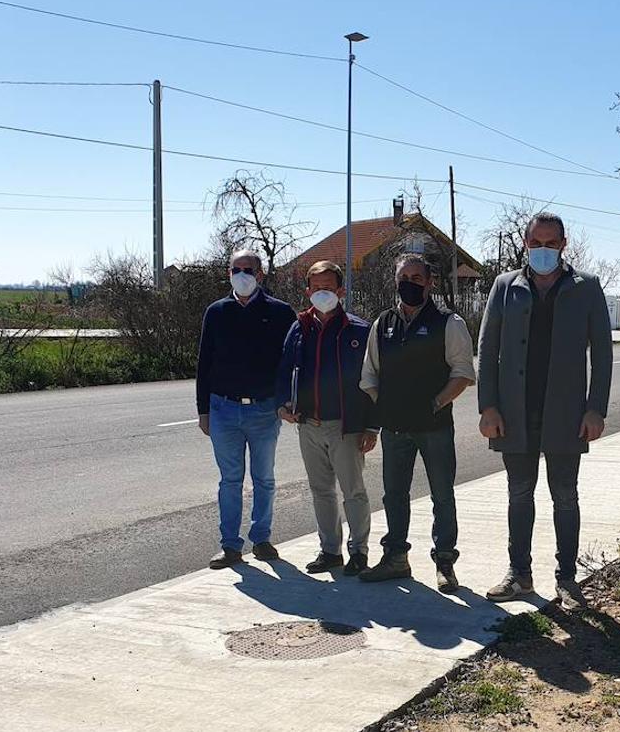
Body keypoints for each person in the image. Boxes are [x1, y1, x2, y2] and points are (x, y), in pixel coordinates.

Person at [477, 212, 613, 609]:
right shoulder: (505, 286)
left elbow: (602, 354)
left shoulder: (585, 287)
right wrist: (488, 406)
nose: (542, 251)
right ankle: (519, 573)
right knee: (519, 494)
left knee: (565, 496)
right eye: (535, 243)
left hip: (567, 414)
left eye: (550, 244)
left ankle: (567, 579)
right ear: (525, 243)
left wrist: (596, 409)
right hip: (514, 413)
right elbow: (487, 351)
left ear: (563, 245)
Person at [357, 254, 476, 592]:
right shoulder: (383, 323)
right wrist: (388, 406)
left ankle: (445, 563)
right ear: (395, 280)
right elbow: (369, 374)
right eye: (403, 276)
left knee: (442, 495)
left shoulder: (448, 323)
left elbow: (463, 373)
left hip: (435, 426)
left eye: (416, 277)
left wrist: (436, 403)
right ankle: (395, 558)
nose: (409, 282)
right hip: (395, 428)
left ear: (430, 283)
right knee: (394, 495)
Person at [275, 260, 378, 576]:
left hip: (346, 428)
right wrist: (283, 403)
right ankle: (330, 551)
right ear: (307, 291)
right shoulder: (299, 327)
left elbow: (374, 382)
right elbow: (284, 369)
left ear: (341, 290)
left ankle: (358, 551)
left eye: (329, 288)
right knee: (321, 492)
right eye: (316, 288)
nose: (322, 294)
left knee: (354, 492)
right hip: (309, 425)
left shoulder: (359, 330)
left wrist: (371, 426)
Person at [196, 250, 297, 570]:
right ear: (228, 273)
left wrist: (287, 401)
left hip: (265, 411)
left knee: (264, 478)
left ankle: (262, 539)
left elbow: (291, 363)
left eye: (248, 270)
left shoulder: (281, 313)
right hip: (223, 409)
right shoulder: (216, 312)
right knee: (230, 480)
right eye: (236, 269)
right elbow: (204, 363)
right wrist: (203, 410)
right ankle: (230, 546)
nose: (242, 274)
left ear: (261, 274)